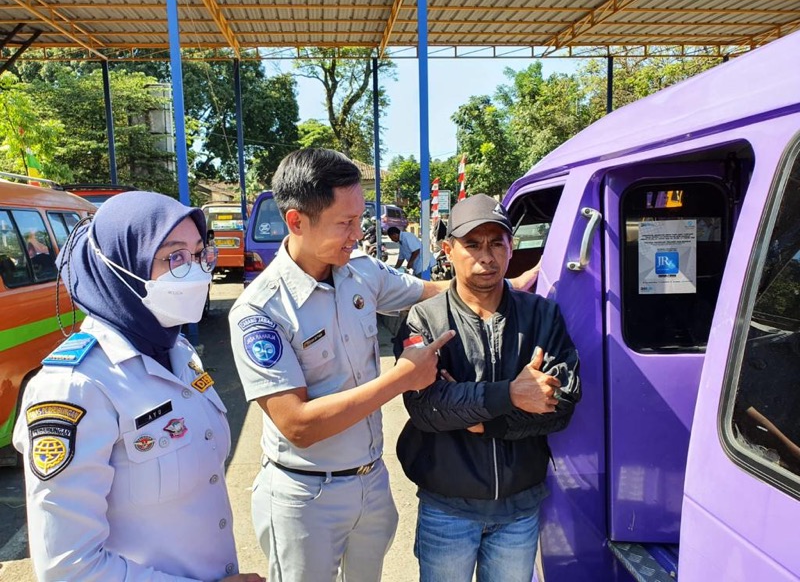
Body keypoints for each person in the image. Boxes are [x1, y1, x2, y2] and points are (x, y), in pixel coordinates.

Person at [229, 148, 455, 582]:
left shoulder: (361, 273)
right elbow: (298, 425)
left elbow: (430, 290)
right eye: (345, 223)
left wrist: (501, 282)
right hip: (305, 498)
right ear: (297, 221)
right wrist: (403, 378)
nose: (359, 233)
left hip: (370, 483)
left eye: (359, 219)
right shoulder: (261, 311)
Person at [13, 191, 264, 582]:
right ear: (120, 268)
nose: (197, 271)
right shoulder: (74, 386)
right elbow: (68, 569)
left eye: (200, 253)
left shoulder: (177, 350)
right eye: (174, 257)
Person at [395, 193, 581, 582]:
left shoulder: (542, 315)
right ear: (448, 250)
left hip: (519, 511)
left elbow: (561, 403)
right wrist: (512, 395)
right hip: (447, 511)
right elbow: (427, 408)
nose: (487, 256)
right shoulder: (425, 320)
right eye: (473, 244)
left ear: (512, 249)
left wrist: (487, 421)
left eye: (497, 242)